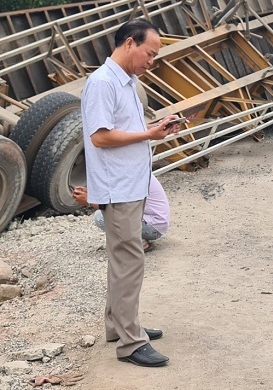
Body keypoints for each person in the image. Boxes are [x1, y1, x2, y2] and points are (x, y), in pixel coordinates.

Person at [81, 18, 182, 368]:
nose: (152, 60)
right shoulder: (103, 83)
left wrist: (155, 130)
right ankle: (130, 343)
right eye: (150, 53)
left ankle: (119, 326)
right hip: (117, 188)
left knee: (121, 262)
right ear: (128, 43)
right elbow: (100, 136)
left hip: (130, 184)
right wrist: (148, 136)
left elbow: (124, 130)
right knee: (130, 263)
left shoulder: (128, 83)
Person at [71, 174, 170, 252]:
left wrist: (88, 200)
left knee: (100, 217)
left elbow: (114, 209)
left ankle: (138, 244)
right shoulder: (135, 170)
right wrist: (91, 194)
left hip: (152, 226)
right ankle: (138, 237)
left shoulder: (128, 176)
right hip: (156, 222)